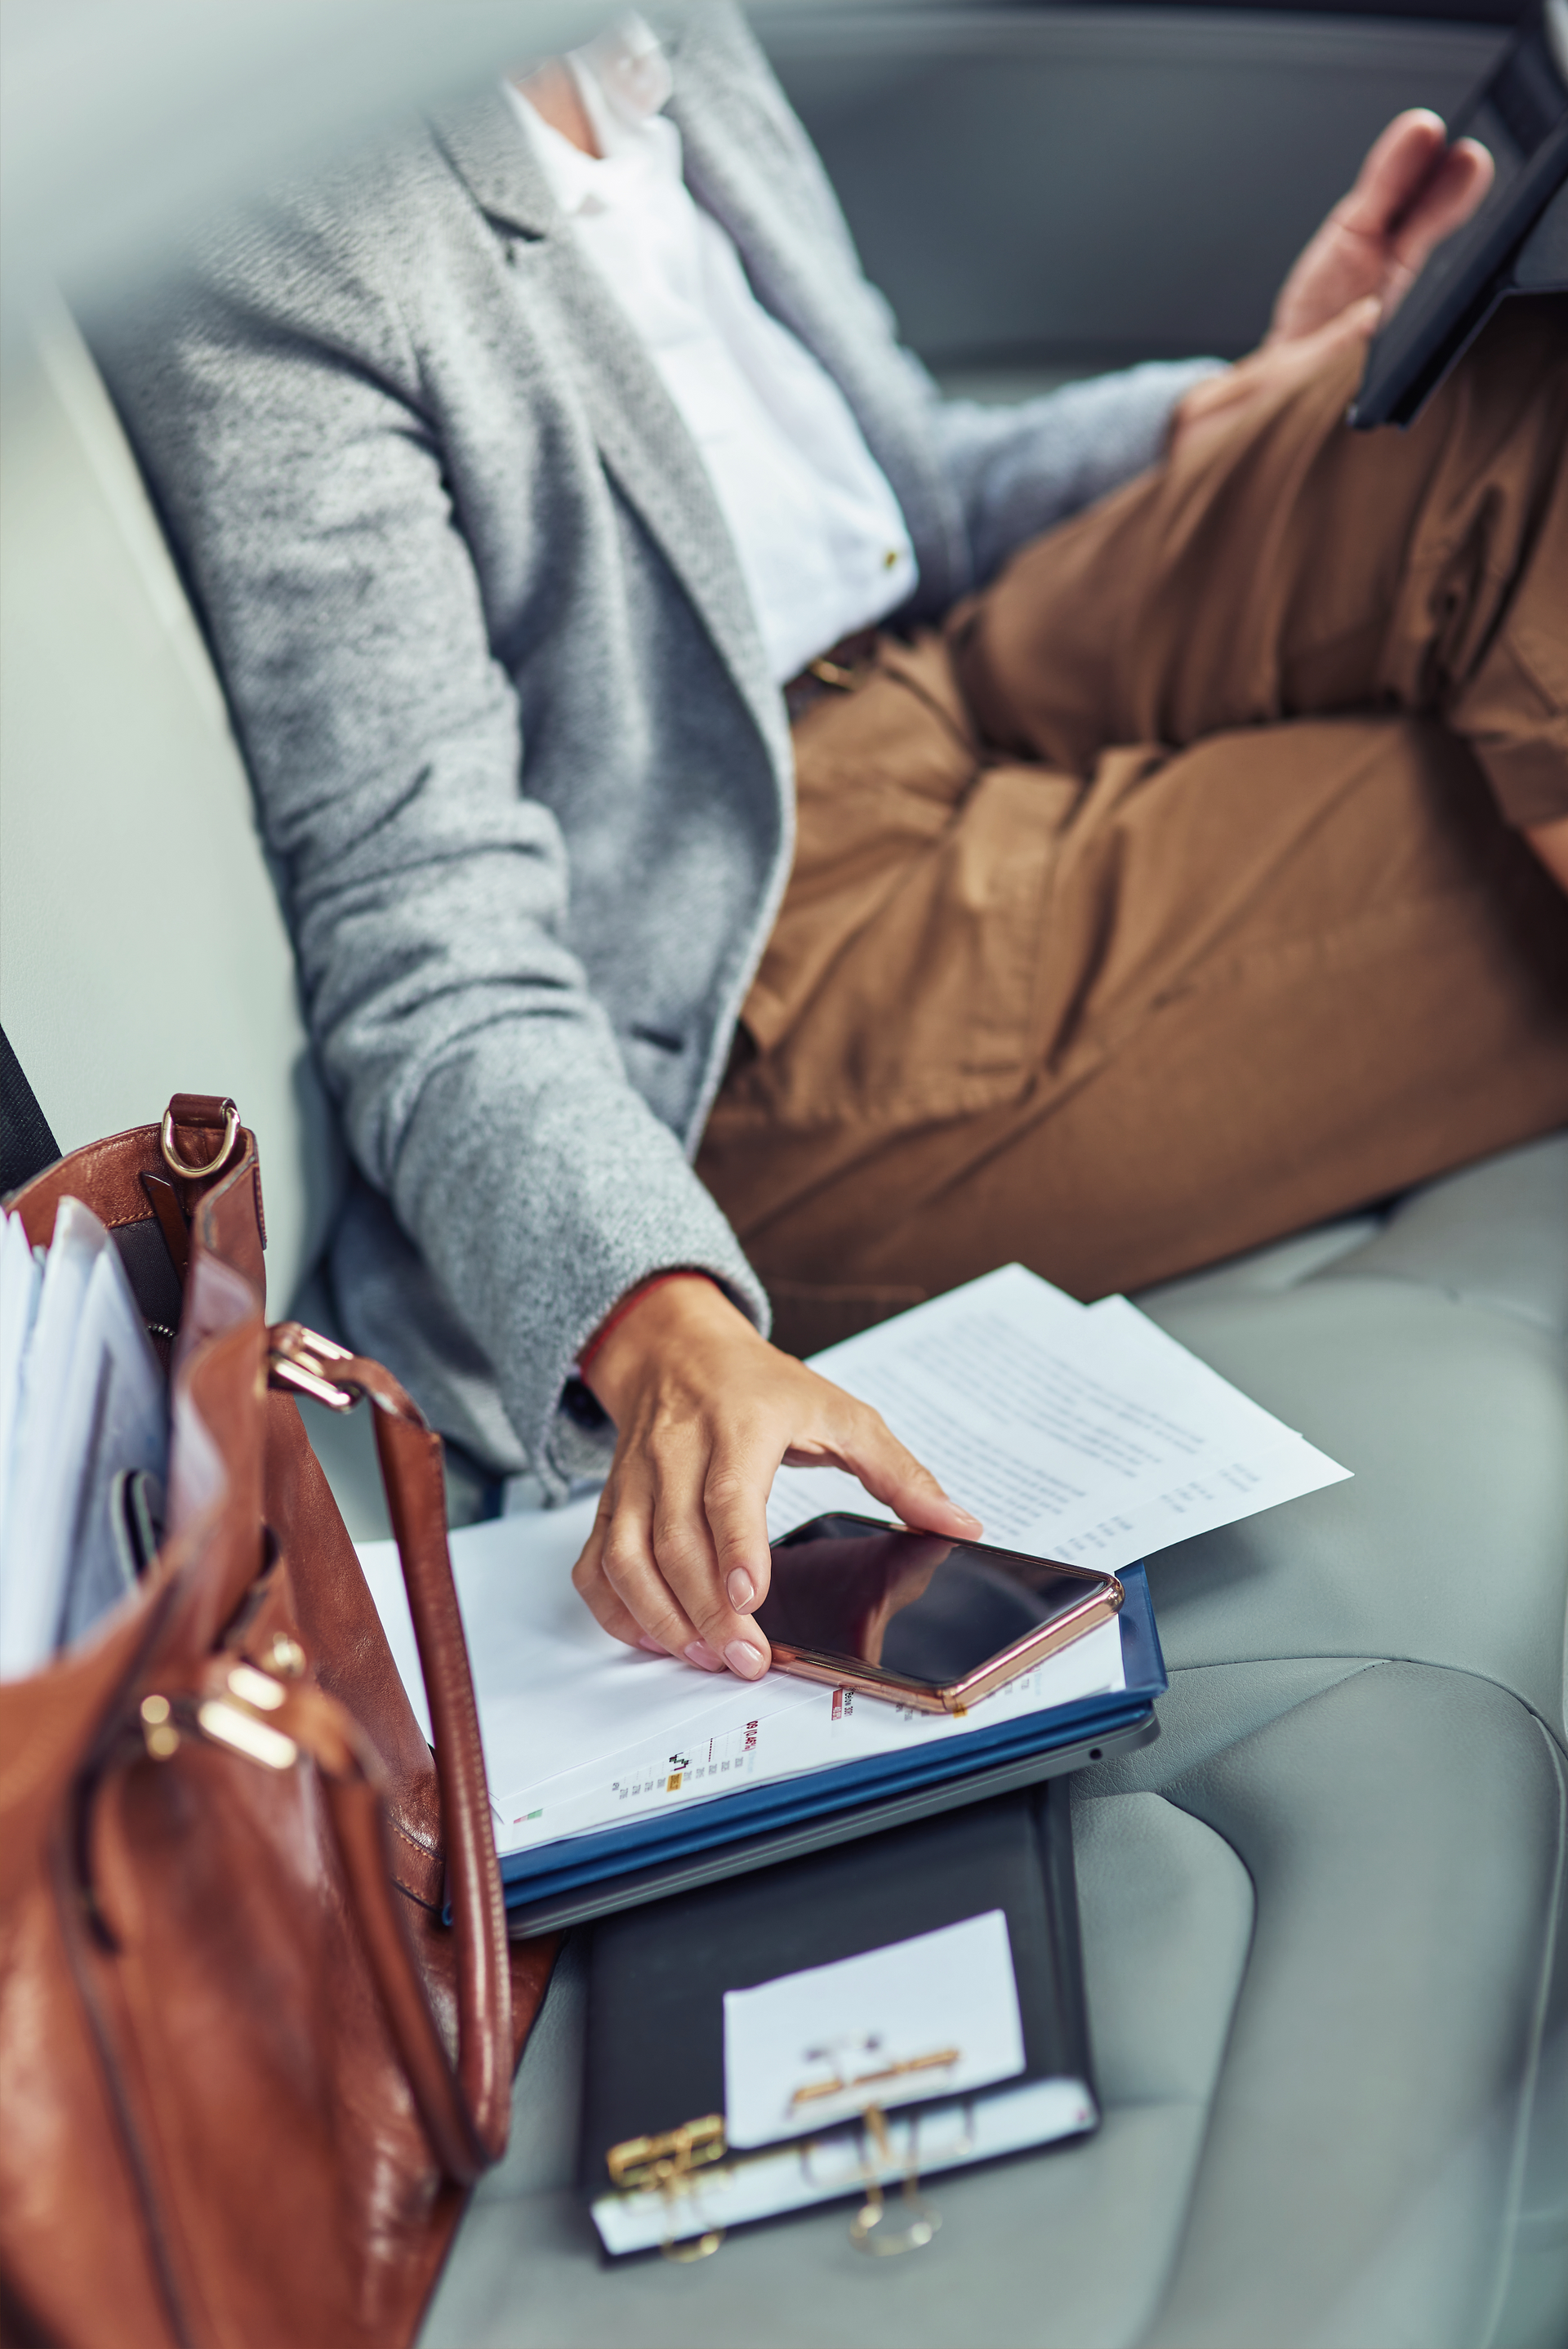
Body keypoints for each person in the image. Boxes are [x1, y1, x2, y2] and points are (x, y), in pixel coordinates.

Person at [104, 4, 1568, 1688]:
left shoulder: (651, 34)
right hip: (750, 980)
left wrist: (1233, 413)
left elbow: (886, 485)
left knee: (1516, 403)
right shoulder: (281, 219)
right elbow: (423, 931)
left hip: (939, 674)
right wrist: (658, 1324)